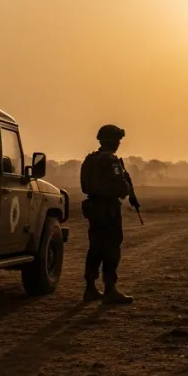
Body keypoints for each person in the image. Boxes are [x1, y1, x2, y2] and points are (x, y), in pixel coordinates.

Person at [79, 124, 139, 303]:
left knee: (95, 248)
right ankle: (110, 289)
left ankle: (90, 288)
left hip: (94, 208)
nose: (119, 144)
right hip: (108, 210)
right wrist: (127, 187)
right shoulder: (111, 161)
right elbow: (121, 188)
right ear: (112, 141)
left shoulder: (90, 160)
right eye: (117, 140)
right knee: (111, 248)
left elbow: (84, 186)